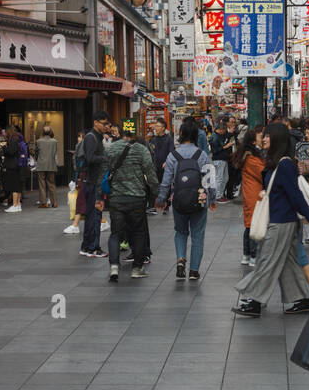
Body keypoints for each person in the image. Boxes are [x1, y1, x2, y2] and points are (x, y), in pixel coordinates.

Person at [233, 122, 309, 317]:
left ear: (277, 139)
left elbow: (295, 197)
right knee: (288, 263)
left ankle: (254, 301)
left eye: (268, 136)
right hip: (280, 219)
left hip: (282, 222)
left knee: (266, 261)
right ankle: (303, 299)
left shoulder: (285, 164)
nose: (264, 139)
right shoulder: (276, 162)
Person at [156, 117, 217, 280]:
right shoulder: (202, 154)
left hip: (179, 200)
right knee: (197, 234)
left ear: (181, 134)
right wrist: (212, 199)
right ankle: (194, 271)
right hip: (199, 199)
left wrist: (161, 199)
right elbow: (209, 178)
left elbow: (166, 180)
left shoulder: (172, 156)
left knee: (181, 232)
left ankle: (181, 258)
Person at [99, 118, 159, 283]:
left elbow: (103, 173)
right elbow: (151, 173)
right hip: (137, 198)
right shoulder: (141, 149)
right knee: (138, 232)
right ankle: (137, 268)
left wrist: (99, 197)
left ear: (122, 131)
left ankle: (113, 267)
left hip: (116, 198)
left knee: (115, 233)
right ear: (135, 131)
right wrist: (158, 194)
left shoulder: (111, 149)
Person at [79, 112, 111, 257]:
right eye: (104, 124)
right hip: (93, 182)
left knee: (92, 215)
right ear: (96, 122)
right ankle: (93, 248)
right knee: (95, 215)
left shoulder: (96, 137)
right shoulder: (91, 138)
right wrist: (105, 157)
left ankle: (86, 247)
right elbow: (90, 158)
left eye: (107, 124)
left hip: (93, 181)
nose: (106, 126)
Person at [239, 127, 266, 266]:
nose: (263, 138)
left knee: (249, 224)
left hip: (251, 193)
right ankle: (253, 256)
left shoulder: (248, 154)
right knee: (254, 224)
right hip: (254, 194)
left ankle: (247, 255)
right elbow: (262, 173)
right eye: (261, 136)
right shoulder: (251, 157)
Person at [34, 125, 60, 208]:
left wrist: (38, 159)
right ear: (50, 132)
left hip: (41, 164)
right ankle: (54, 202)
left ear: (42, 132)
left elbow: (36, 153)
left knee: (42, 184)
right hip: (51, 165)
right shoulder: (55, 141)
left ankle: (44, 202)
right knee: (52, 184)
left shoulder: (38, 141)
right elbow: (55, 153)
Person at [2, 125, 25, 213]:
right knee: (18, 185)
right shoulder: (17, 139)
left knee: (14, 186)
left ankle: (15, 205)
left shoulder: (12, 140)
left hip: (12, 165)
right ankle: (18, 204)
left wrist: (4, 148)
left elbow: (11, 152)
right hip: (17, 165)